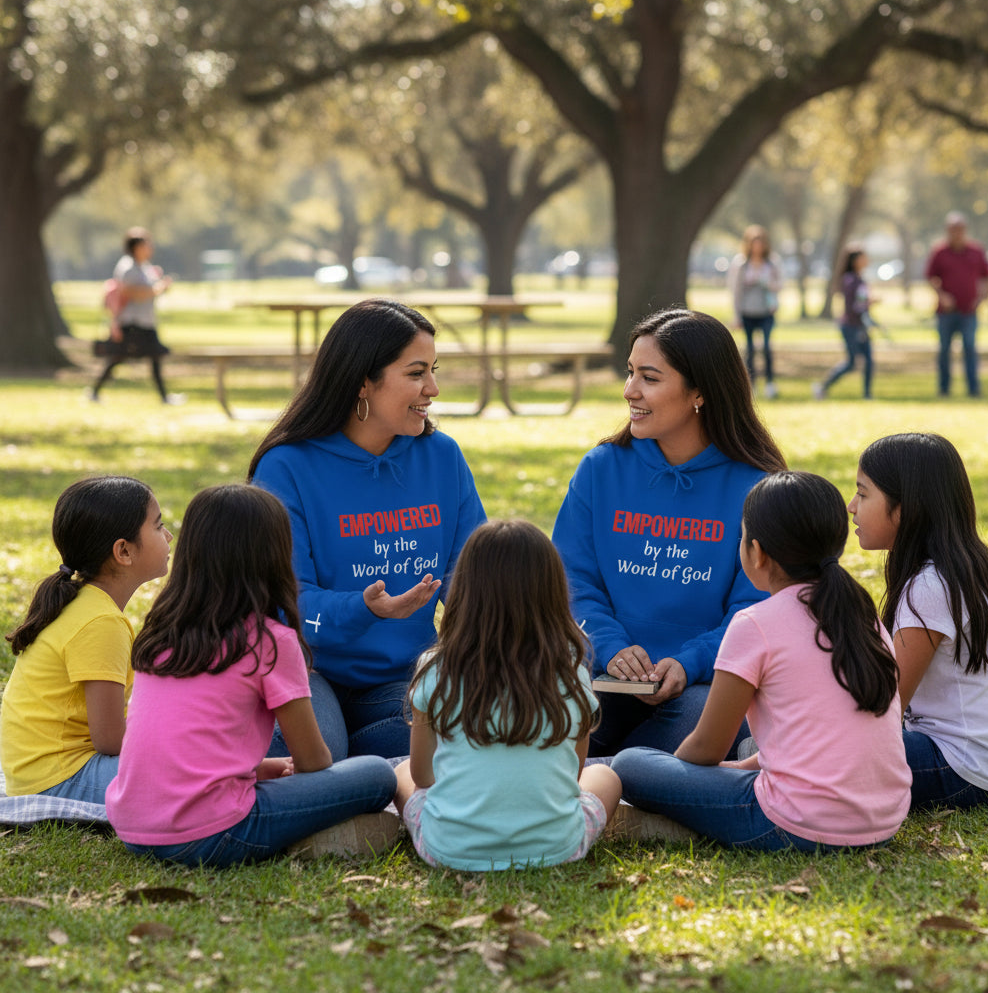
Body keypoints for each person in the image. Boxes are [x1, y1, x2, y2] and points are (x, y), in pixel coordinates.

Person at [612, 472, 911, 851]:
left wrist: (678, 777)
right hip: (884, 821)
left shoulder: (755, 624)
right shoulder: (861, 614)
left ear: (757, 551)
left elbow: (706, 748)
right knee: (723, 763)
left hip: (796, 825)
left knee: (629, 764)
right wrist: (738, 770)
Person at [105, 485, 397, 868]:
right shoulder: (270, 642)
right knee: (377, 773)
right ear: (274, 557)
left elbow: (186, 749)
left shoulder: (162, 632)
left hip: (133, 828)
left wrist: (264, 770)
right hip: (212, 835)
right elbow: (313, 761)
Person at [249, 298, 486, 761]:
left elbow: (469, 577)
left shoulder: (442, 457)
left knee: (469, 733)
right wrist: (366, 608)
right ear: (362, 381)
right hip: (308, 671)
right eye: (416, 373)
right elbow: (284, 602)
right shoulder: (286, 467)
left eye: (433, 370)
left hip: (406, 678)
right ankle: (358, 761)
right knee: (316, 755)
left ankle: (364, 763)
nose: (433, 388)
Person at [552, 308, 787, 757]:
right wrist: (611, 646)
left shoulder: (758, 486)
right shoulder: (601, 469)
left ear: (699, 391)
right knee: (556, 709)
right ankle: (641, 776)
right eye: (630, 373)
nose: (629, 391)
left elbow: (760, 607)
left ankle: (611, 773)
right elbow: (569, 579)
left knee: (705, 718)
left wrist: (688, 662)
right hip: (601, 673)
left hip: (702, 682)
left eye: (649, 378)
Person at [393, 519, 621, 870]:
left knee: (402, 772)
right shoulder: (570, 666)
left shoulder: (435, 666)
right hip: (557, 847)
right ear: (552, 594)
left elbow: (424, 777)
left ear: (465, 592)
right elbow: (572, 774)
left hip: (448, 849)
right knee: (605, 777)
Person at [849, 433, 988, 811]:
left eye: (863, 494)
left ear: (906, 509)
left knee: (812, 750)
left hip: (960, 770)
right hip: (982, 766)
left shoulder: (930, 586)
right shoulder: (963, 567)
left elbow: (886, 705)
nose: (851, 507)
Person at [1, 477, 171, 803]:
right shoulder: (101, 622)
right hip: (60, 777)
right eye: (158, 526)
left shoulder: (89, 604)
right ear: (123, 551)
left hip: (39, 772)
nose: (169, 536)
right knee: (191, 767)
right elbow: (110, 740)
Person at [91, 227, 181, 405]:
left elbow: (150, 290)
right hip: (132, 322)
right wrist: (158, 289)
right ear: (137, 247)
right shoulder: (128, 267)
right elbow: (131, 292)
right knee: (120, 357)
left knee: (148, 357)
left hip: (146, 321)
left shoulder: (145, 267)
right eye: (147, 244)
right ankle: (95, 392)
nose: (150, 248)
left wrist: (159, 287)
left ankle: (164, 396)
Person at [925, 212, 988, 397]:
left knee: (970, 348)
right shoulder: (940, 252)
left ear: (965, 230)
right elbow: (931, 277)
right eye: (953, 229)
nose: (957, 233)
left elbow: (986, 277)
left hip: (969, 311)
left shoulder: (976, 251)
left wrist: (983, 297)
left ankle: (973, 389)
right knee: (944, 350)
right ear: (948, 231)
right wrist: (941, 295)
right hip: (946, 312)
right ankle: (944, 389)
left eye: (960, 229)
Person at [813, 245, 879, 400]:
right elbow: (852, 307)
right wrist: (869, 303)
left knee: (869, 360)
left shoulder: (860, 278)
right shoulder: (850, 280)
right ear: (855, 261)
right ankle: (822, 387)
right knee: (851, 363)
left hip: (861, 326)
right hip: (851, 326)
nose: (866, 260)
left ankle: (867, 394)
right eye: (863, 257)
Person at [727, 225, 783, 399]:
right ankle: (751, 385)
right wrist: (736, 315)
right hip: (747, 312)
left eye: (761, 243)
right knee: (750, 349)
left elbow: (779, 285)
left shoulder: (772, 263)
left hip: (766, 311)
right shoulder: (741, 264)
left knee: (766, 347)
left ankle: (770, 384)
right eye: (754, 243)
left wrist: (765, 281)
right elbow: (735, 291)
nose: (758, 247)